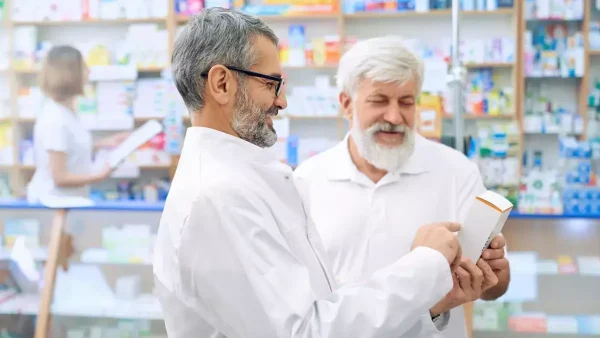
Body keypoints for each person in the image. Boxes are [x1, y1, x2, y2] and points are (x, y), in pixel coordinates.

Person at [154, 8, 468, 338]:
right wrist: (425, 264)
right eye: (272, 84)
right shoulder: (218, 196)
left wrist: (430, 307)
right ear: (222, 83)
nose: (283, 101)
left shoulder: (243, 180)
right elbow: (304, 331)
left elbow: (323, 312)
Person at [293, 36, 511, 338]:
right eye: (379, 101)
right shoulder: (308, 180)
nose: (394, 117)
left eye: (406, 102)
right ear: (346, 103)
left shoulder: (456, 171)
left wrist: (495, 273)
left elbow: (495, 288)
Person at [27, 45, 127, 203]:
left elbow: (68, 149)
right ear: (70, 75)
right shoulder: (56, 119)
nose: (89, 72)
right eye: (84, 68)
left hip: (69, 202)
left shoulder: (67, 111)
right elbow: (60, 177)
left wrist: (104, 143)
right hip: (56, 205)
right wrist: (100, 175)